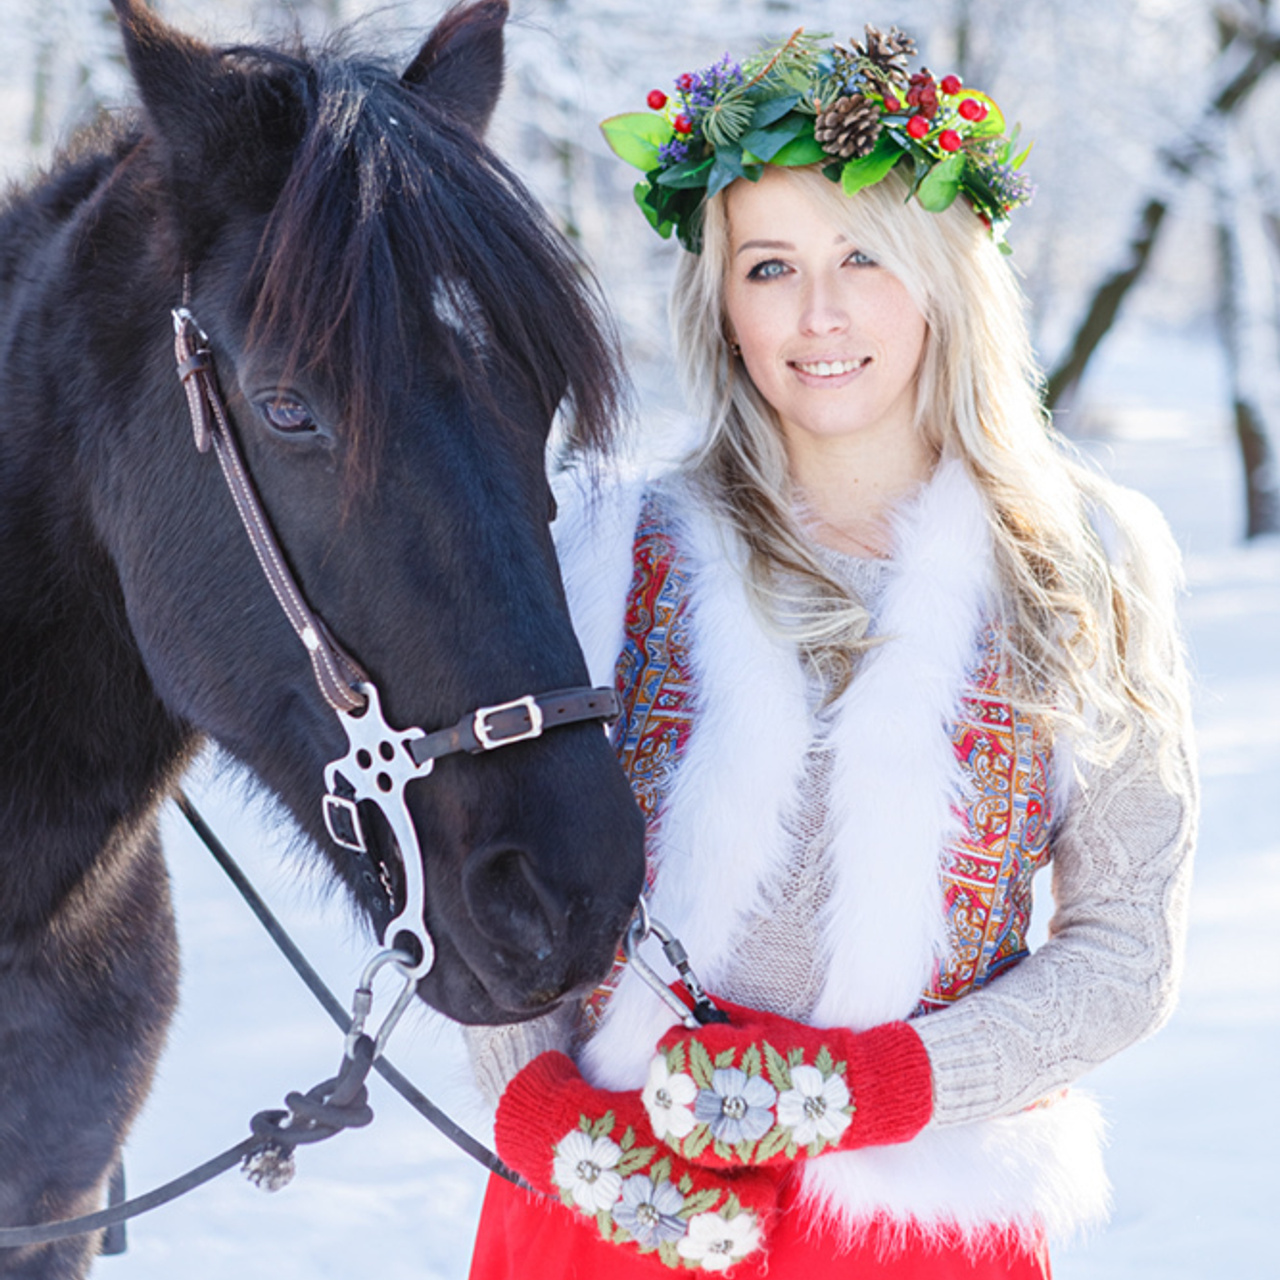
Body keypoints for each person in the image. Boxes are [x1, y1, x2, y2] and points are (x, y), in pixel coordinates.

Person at [464, 23, 1197, 1280]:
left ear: (944, 272)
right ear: (721, 300)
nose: (817, 312)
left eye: (863, 253)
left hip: (917, 1227)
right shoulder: (597, 546)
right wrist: (547, 1120)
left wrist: (866, 1087)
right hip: (619, 1208)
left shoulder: (1085, 565)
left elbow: (1124, 947)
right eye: (767, 266)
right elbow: (491, 880)